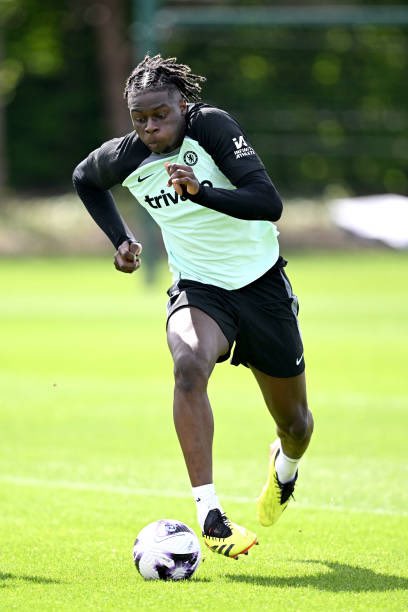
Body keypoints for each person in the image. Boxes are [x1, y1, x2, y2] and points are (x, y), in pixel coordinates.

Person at [73, 54, 314, 560]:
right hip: (200, 290)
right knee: (188, 365)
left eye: (160, 114)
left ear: (182, 105)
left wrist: (200, 192)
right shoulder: (125, 156)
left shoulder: (213, 127)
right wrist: (121, 239)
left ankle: (285, 470)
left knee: (296, 425)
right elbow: (84, 180)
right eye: (139, 118)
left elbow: (268, 202)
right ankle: (209, 512)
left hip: (262, 287)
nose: (150, 127)